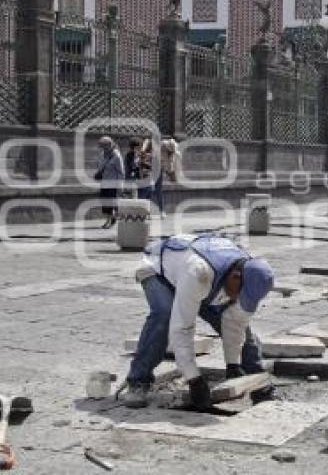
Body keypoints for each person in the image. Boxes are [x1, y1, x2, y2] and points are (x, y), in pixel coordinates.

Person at [117, 234, 275, 410]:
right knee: (165, 315)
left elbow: (236, 322)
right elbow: (182, 328)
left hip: (202, 280)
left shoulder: (250, 272)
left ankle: (259, 384)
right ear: (236, 276)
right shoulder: (199, 272)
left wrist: (233, 364)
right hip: (159, 270)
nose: (238, 299)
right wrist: (194, 379)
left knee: (245, 334)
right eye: (240, 294)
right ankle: (138, 380)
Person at [94, 136, 124, 229]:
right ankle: (110, 219)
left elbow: (121, 172)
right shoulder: (102, 154)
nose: (102, 148)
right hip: (104, 183)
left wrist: (120, 185)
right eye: (101, 146)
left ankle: (109, 220)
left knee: (111, 203)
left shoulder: (116, 156)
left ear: (109, 145)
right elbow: (99, 166)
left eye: (103, 146)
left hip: (113, 183)